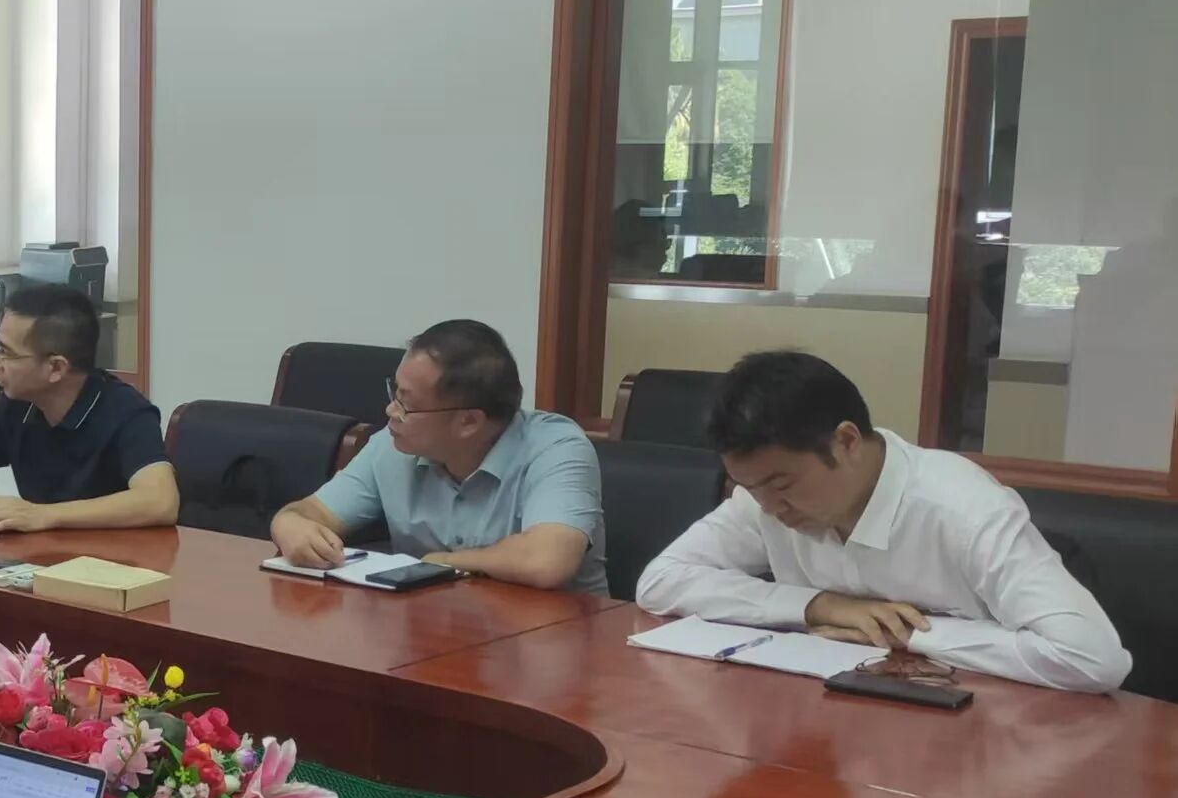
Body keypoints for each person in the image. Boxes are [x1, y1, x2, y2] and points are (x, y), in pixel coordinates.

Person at [636, 351, 1130, 692]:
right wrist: (819, 606)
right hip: (827, 720)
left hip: (975, 733)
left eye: (782, 484)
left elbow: (1092, 659)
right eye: (750, 487)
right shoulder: (764, 497)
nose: (768, 507)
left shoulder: (963, 507)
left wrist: (907, 634)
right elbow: (660, 582)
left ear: (846, 441)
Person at [268, 320, 607, 593]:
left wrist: (442, 561)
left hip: (554, 640)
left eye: (407, 404)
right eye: (394, 394)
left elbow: (546, 561)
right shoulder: (392, 445)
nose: (391, 411)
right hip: (435, 632)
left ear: (468, 421)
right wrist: (291, 527)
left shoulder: (556, 448)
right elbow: (310, 512)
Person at [0, 283, 178, 533]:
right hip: (41, 557)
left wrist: (43, 515)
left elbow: (160, 501)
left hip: (116, 563)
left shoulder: (126, 411)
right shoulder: (16, 404)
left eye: (6, 352)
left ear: (55, 367)